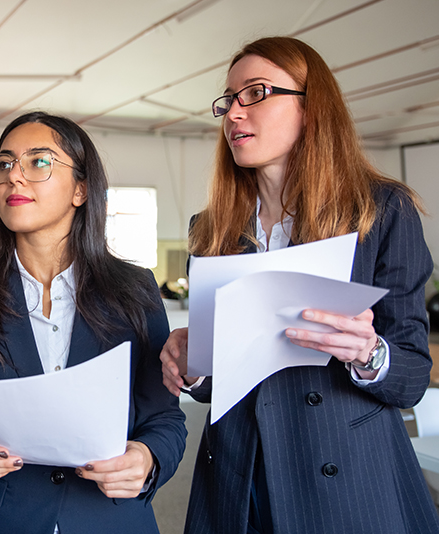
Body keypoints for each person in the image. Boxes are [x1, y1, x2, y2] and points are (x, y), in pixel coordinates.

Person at [159, 36, 439, 534]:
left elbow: (413, 376)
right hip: (240, 472)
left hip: (345, 475)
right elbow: (213, 388)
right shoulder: (211, 228)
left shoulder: (381, 211)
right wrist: (193, 367)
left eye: (257, 92)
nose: (234, 113)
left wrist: (369, 353)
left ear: (313, 109)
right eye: (229, 99)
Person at [0, 111, 187, 534]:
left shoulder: (134, 290)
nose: (14, 178)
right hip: (2, 520)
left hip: (111, 519)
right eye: (5, 163)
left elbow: (165, 420)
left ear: (80, 189)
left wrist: (147, 458)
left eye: (38, 162)